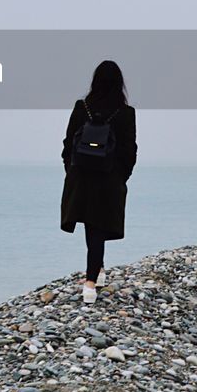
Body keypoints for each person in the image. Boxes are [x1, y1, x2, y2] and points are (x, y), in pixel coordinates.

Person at [60, 60, 137, 304]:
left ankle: (97, 272)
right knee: (99, 225)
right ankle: (91, 283)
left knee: (91, 225)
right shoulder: (126, 112)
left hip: (81, 175)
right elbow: (129, 150)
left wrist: (70, 170)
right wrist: (121, 176)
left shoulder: (82, 107)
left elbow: (68, 143)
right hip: (109, 177)